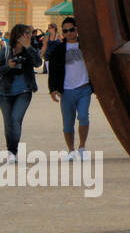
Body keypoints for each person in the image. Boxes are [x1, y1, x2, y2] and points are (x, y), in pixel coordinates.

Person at [47, 16, 95, 159]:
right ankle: (71, 151)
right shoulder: (59, 49)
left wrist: (98, 88)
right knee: (68, 124)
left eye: (71, 30)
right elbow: (53, 70)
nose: (68, 33)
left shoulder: (87, 47)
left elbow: (97, 66)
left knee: (83, 117)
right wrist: (53, 89)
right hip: (66, 91)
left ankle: (82, 147)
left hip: (84, 88)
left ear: (77, 30)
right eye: (65, 31)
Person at [1, 24, 42, 164]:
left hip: (24, 91)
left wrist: (29, 47)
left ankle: (13, 152)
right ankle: (10, 150)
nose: (29, 36)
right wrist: (8, 66)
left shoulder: (30, 50)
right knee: (8, 123)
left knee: (15, 120)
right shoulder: (5, 51)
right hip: (4, 92)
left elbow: (38, 63)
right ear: (18, 36)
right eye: (26, 33)